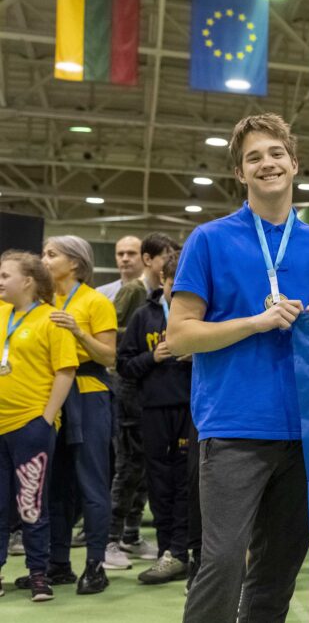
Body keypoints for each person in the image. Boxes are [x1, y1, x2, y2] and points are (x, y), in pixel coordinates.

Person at [168, 113, 309, 623]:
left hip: (306, 430)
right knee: (223, 563)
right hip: (234, 427)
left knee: (277, 571)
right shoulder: (209, 239)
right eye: (253, 158)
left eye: (275, 153)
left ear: (294, 163)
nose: (266, 163)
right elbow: (180, 335)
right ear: (240, 173)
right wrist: (256, 322)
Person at [34, 235, 117, 595]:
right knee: (55, 482)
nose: (43, 260)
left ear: (75, 263)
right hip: (51, 393)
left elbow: (109, 356)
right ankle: (58, 563)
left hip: (88, 393)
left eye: (51, 254)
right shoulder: (41, 302)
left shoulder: (96, 301)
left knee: (91, 480)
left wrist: (78, 331)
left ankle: (96, 564)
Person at [0, 251, 79, 602]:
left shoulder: (52, 319)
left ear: (28, 281)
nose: (0, 281)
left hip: (30, 425)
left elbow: (66, 371)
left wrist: (45, 419)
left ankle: (38, 575)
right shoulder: (1, 314)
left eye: (5, 275)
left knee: (31, 503)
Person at [117, 251, 192, 585]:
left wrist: (198, 355)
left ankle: (183, 550)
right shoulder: (143, 316)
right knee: (159, 483)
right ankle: (167, 552)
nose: (179, 293)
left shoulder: (199, 316)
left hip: (191, 409)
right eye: (175, 284)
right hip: (153, 411)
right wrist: (153, 357)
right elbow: (124, 367)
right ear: (163, 280)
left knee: (187, 482)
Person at [105, 232, 178, 569]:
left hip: (156, 395)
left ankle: (131, 534)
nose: (124, 259)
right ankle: (110, 538)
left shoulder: (167, 297)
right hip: (132, 393)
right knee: (129, 468)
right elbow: (115, 339)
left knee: (146, 471)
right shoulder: (136, 293)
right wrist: (150, 352)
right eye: (166, 256)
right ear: (152, 261)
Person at [95, 236, 143, 301]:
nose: (125, 259)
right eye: (120, 254)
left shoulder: (154, 293)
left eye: (131, 253)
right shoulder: (101, 294)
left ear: (144, 257)